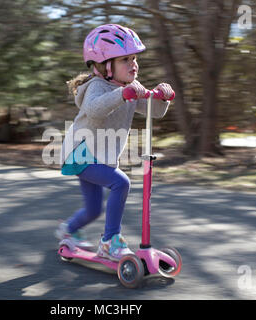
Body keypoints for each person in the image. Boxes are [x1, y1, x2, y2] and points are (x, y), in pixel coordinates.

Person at [55, 24, 175, 261]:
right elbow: (94, 109)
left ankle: (68, 229)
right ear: (105, 66)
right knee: (121, 183)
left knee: (93, 209)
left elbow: (155, 111)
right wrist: (122, 95)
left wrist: (163, 97)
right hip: (81, 153)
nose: (134, 64)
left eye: (134, 58)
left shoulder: (126, 88)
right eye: (125, 59)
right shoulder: (97, 86)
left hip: (100, 156)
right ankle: (110, 241)